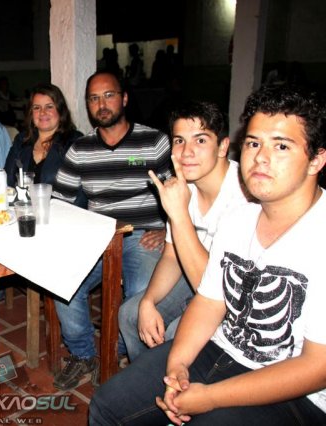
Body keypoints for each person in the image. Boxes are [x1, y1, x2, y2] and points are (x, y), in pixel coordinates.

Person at [90, 84, 326, 425]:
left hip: (296, 391)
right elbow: (210, 300)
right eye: (254, 143)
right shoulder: (240, 218)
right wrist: (177, 365)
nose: (261, 157)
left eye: (281, 146)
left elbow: (317, 367)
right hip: (221, 346)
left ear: (316, 159)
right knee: (105, 404)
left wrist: (211, 397)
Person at [51, 71, 172, 390]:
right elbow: (59, 201)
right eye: (94, 98)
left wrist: (168, 230)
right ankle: (84, 355)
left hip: (143, 234)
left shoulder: (153, 141)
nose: (101, 104)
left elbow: (178, 192)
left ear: (124, 98)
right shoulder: (80, 149)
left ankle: (119, 353)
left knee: (141, 291)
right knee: (62, 281)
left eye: (108, 95)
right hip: (98, 235)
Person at [118, 100, 249, 362]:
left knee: (176, 335)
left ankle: (171, 380)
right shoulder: (182, 187)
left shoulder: (245, 197)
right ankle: (145, 377)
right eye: (179, 141)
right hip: (194, 277)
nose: (187, 152)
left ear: (223, 146)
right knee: (131, 314)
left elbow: (217, 292)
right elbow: (171, 256)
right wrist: (148, 302)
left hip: (233, 298)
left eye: (200, 140)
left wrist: (179, 214)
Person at [4, 83, 82, 187]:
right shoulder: (21, 140)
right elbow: (8, 179)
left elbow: (81, 190)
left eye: (49, 107)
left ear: (60, 111)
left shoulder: (74, 142)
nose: (42, 112)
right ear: (31, 113)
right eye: (37, 108)